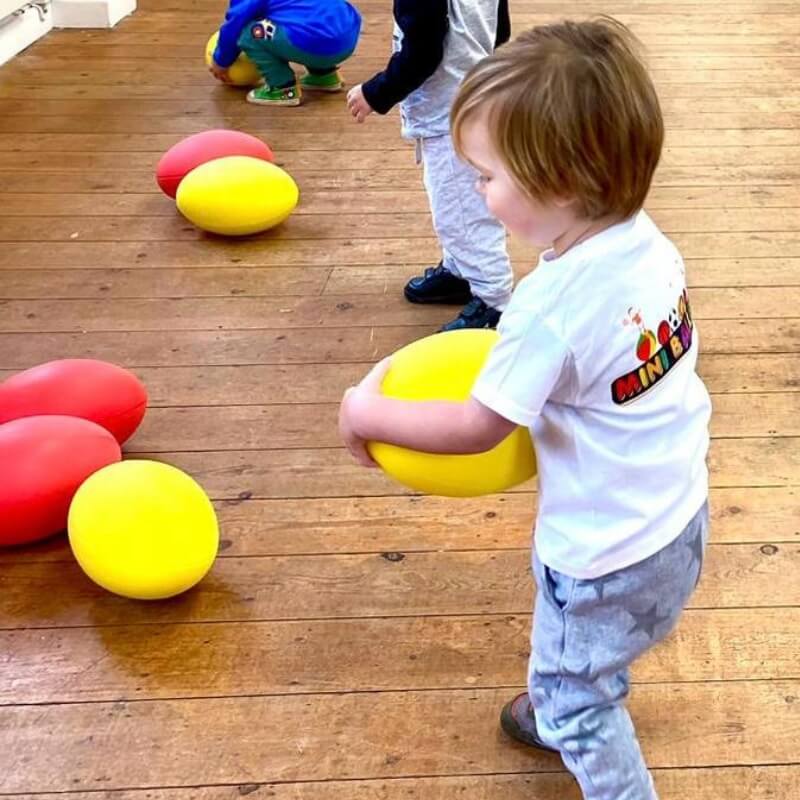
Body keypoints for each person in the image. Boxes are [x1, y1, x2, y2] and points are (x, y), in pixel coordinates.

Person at [339, 18, 712, 800]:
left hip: (601, 553)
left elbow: (479, 424)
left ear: (563, 184)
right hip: (677, 517)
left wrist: (366, 415)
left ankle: (574, 720)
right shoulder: (651, 245)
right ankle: (563, 694)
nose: (477, 189)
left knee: (582, 694)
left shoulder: (548, 306)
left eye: (486, 175)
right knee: (585, 650)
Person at [346, 1, 514, 331]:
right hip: (474, 96)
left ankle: (494, 301)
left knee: (463, 212)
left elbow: (422, 50)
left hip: (447, 115)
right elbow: (500, 29)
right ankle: (461, 271)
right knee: (457, 204)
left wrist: (375, 93)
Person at [209, 0, 362, 107]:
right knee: (300, 16)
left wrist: (221, 60)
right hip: (347, 37)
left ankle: (283, 89)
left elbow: (236, 22)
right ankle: (324, 75)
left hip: (313, 44)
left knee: (249, 33)